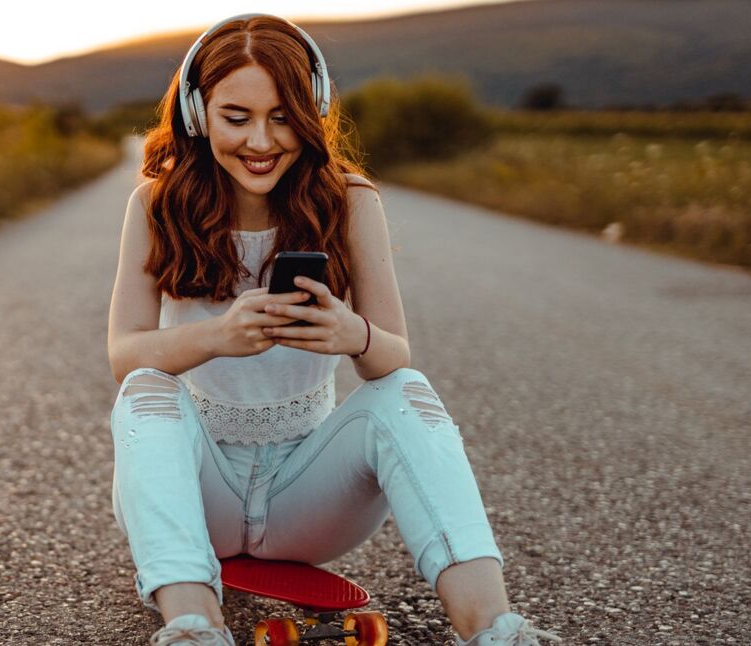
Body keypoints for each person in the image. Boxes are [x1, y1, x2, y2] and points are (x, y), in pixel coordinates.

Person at [106, 14, 561, 646]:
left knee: (404, 392)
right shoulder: (156, 204)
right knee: (145, 391)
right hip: (197, 492)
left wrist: (353, 334)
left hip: (308, 500)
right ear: (195, 111)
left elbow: (392, 357)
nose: (261, 140)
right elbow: (125, 354)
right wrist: (217, 336)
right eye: (236, 118)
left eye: (284, 115)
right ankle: (194, 628)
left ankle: (494, 628)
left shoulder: (349, 200)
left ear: (312, 111)